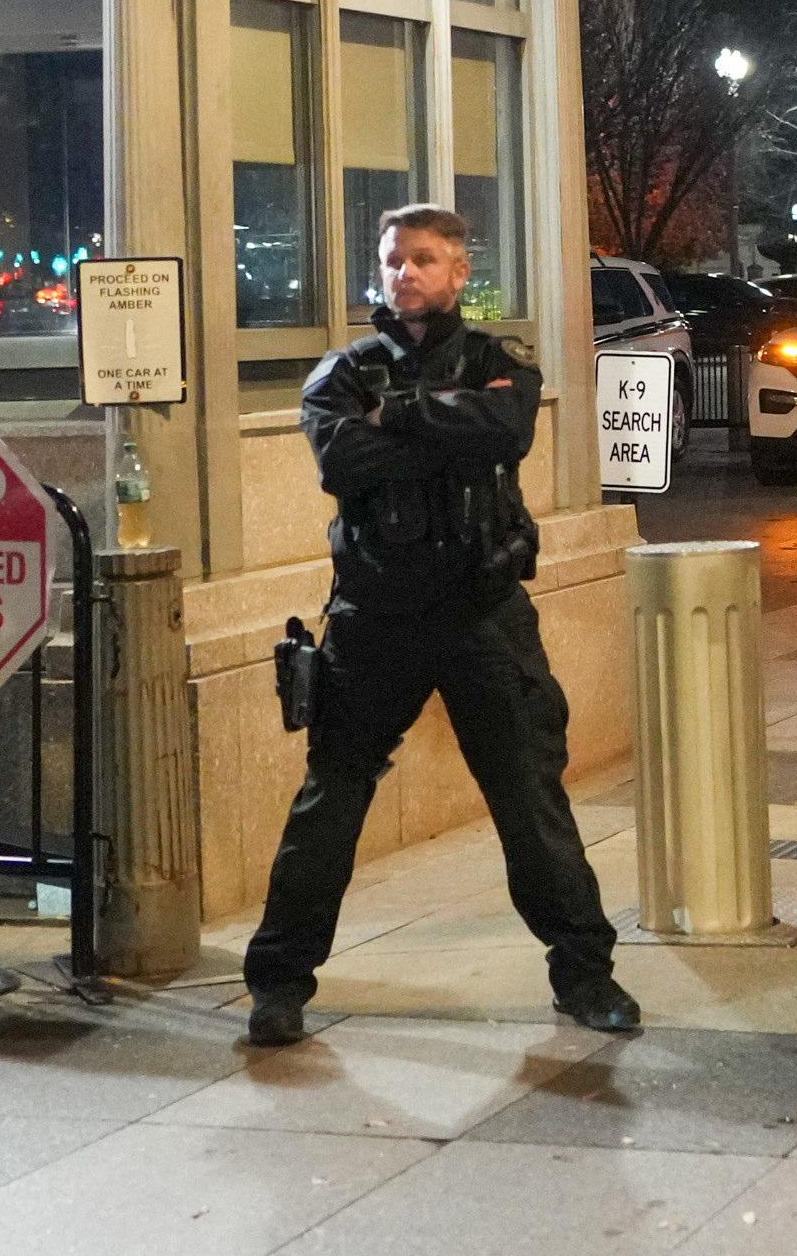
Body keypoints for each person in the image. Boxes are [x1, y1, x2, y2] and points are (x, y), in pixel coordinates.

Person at [243, 204, 645, 1049]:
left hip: (482, 612)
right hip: (375, 617)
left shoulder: (501, 362)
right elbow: (340, 459)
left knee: (529, 801)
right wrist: (444, 427)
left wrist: (400, 418)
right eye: (393, 260)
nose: (406, 274)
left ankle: (586, 973)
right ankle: (278, 984)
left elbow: (506, 428)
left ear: (461, 272)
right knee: (330, 803)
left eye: (424, 259)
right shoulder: (344, 371)